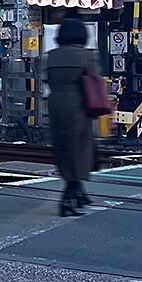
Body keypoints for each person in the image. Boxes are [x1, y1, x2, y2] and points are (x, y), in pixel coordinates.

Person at [45, 18, 96, 217]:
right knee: (80, 150)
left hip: (56, 103)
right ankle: (68, 197)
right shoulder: (86, 56)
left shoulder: (51, 56)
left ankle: (78, 192)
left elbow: (46, 79)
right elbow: (95, 79)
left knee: (64, 148)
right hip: (78, 104)